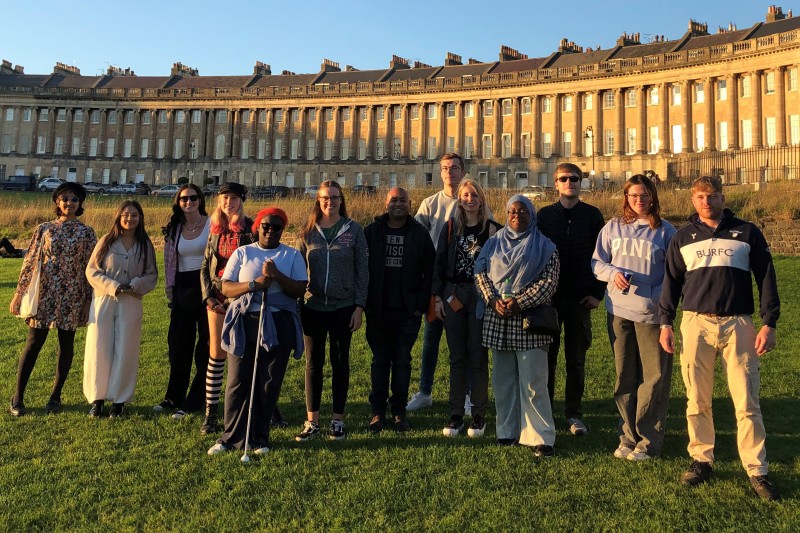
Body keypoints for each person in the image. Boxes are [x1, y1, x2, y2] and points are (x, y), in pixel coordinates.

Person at [659, 176, 781, 501]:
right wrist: (665, 323)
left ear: (723, 198)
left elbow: (766, 277)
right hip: (696, 322)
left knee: (746, 401)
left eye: (711, 196)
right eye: (699, 197)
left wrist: (769, 323)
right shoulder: (683, 237)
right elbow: (670, 282)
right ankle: (701, 459)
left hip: (738, 323)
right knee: (697, 398)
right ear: (692, 200)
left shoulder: (747, 232)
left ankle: (757, 470)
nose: (705, 202)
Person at [208, 208, 307, 455]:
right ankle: (229, 437)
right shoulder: (243, 253)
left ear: (282, 230)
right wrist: (254, 285)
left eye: (276, 227)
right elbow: (227, 288)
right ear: (257, 228)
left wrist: (277, 276)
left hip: (278, 322)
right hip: (245, 320)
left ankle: (259, 437)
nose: (270, 230)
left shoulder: (291, 255)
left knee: (269, 381)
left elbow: (298, 289)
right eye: (266, 226)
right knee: (238, 380)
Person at [592, 175, 676, 460]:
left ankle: (649, 440)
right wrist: (612, 274)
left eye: (644, 195)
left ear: (653, 197)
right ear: (626, 198)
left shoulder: (666, 231)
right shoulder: (613, 227)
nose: (639, 200)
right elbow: (597, 262)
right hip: (619, 312)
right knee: (624, 377)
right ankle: (627, 436)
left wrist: (661, 304)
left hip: (652, 314)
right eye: (633, 196)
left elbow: (675, 275)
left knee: (654, 378)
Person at [474, 195, 560, 456]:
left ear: (531, 215)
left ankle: (540, 437)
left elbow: (549, 282)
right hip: (498, 318)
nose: (517, 216)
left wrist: (520, 302)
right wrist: (492, 299)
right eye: (512, 211)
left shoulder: (545, 247)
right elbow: (480, 273)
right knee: (503, 381)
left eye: (523, 211)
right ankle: (507, 431)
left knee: (534, 382)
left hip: (529, 320)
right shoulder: (493, 243)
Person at [9, 183, 97, 416]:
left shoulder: (87, 233)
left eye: (75, 200)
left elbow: (91, 268)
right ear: (57, 202)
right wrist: (19, 293)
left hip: (73, 294)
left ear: (80, 204)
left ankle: (55, 396)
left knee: (66, 344)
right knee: (34, 342)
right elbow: (30, 261)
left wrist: (88, 299)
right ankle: (18, 397)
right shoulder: (44, 229)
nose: (70, 203)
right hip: (45, 292)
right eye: (65, 199)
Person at [537, 162, 605, 436]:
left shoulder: (592, 215)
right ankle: (547, 411)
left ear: (581, 183)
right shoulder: (544, 216)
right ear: (556, 184)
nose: (570, 183)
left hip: (580, 298)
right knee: (548, 359)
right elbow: (535, 255)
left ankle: (574, 414)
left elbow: (603, 255)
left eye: (574, 179)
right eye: (564, 179)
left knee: (576, 359)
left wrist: (596, 293)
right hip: (550, 299)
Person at [298, 180, 368, 441]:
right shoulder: (307, 231)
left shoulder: (354, 230)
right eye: (326, 198)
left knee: (340, 363)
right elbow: (297, 269)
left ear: (342, 200)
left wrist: (359, 306)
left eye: (335, 198)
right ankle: (312, 420)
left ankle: (337, 420)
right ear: (318, 199)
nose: (330, 202)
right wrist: (298, 302)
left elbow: (363, 271)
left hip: (343, 306)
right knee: (313, 364)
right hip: (312, 307)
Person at [432, 178, 501, 438]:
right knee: (457, 356)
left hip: (481, 296)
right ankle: (456, 413)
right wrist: (437, 297)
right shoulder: (451, 228)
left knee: (478, 355)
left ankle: (479, 413)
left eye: (474, 195)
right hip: (454, 294)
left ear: (481, 199)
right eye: (465, 195)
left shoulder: (493, 230)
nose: (469, 199)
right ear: (459, 199)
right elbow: (439, 264)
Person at [364, 187, 435, 433]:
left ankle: (399, 411)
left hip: (408, 311)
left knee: (403, 362)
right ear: (386, 204)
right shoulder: (371, 232)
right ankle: (377, 412)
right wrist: (366, 304)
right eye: (394, 200)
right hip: (378, 310)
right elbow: (361, 270)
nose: (398, 204)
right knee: (380, 362)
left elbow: (430, 271)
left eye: (403, 200)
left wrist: (420, 306)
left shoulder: (419, 234)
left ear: (410, 204)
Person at [83, 200, 158, 418]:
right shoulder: (107, 241)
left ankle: (119, 400)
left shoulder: (145, 245)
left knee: (126, 349)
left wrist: (135, 285)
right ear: (118, 217)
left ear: (140, 218)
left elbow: (152, 274)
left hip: (131, 301)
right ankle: (97, 399)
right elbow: (92, 271)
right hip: (104, 300)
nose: (130, 219)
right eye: (126, 215)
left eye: (134, 215)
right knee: (99, 347)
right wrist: (113, 286)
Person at [407, 152, 465, 412]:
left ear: (462, 171)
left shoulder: (471, 199)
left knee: (461, 342)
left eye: (454, 168)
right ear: (440, 173)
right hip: (434, 280)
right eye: (445, 168)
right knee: (431, 340)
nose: (449, 172)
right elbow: (416, 237)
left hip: (460, 280)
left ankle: (465, 395)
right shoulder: (430, 203)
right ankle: (425, 391)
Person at [198, 182, 255, 434]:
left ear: (241, 201)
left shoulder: (251, 228)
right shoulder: (215, 230)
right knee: (216, 354)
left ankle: (256, 405)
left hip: (241, 297)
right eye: (224, 198)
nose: (228, 202)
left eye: (233, 198)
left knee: (246, 354)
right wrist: (208, 296)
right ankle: (211, 412)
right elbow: (205, 266)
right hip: (218, 297)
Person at [154, 183, 211, 419]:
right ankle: (173, 396)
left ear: (201, 200)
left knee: (206, 347)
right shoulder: (174, 228)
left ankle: (196, 399)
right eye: (184, 199)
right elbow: (169, 262)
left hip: (207, 288)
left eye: (194, 198)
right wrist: (171, 291)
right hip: (182, 288)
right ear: (178, 202)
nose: (189, 202)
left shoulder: (211, 224)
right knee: (178, 346)